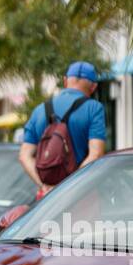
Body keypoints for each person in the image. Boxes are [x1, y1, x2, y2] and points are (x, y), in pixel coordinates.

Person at [20, 60, 106, 191]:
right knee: (73, 213)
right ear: (93, 87)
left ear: (65, 81)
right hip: (80, 196)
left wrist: (45, 186)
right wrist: (67, 189)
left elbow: (24, 155)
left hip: (47, 202)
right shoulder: (94, 108)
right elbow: (96, 153)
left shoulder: (40, 110)